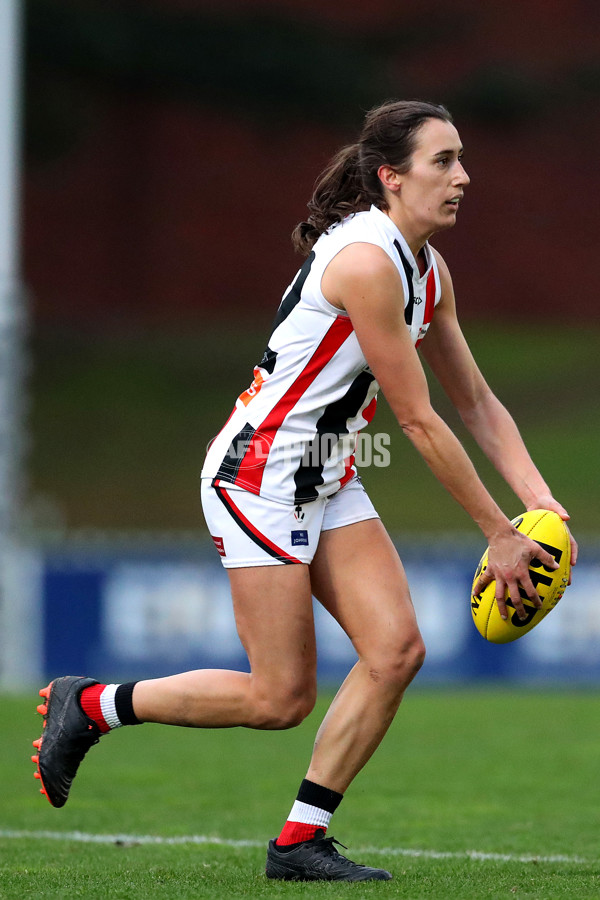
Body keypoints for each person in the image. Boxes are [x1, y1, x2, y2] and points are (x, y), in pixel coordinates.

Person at [32, 99, 577, 883]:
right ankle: (93, 706)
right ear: (391, 177)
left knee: (395, 652)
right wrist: (498, 531)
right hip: (259, 477)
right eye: (443, 161)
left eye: (462, 159)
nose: (463, 177)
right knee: (278, 697)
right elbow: (419, 422)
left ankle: (298, 843)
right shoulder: (365, 263)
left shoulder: (427, 269)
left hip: (327, 470)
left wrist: (542, 506)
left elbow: (478, 403)